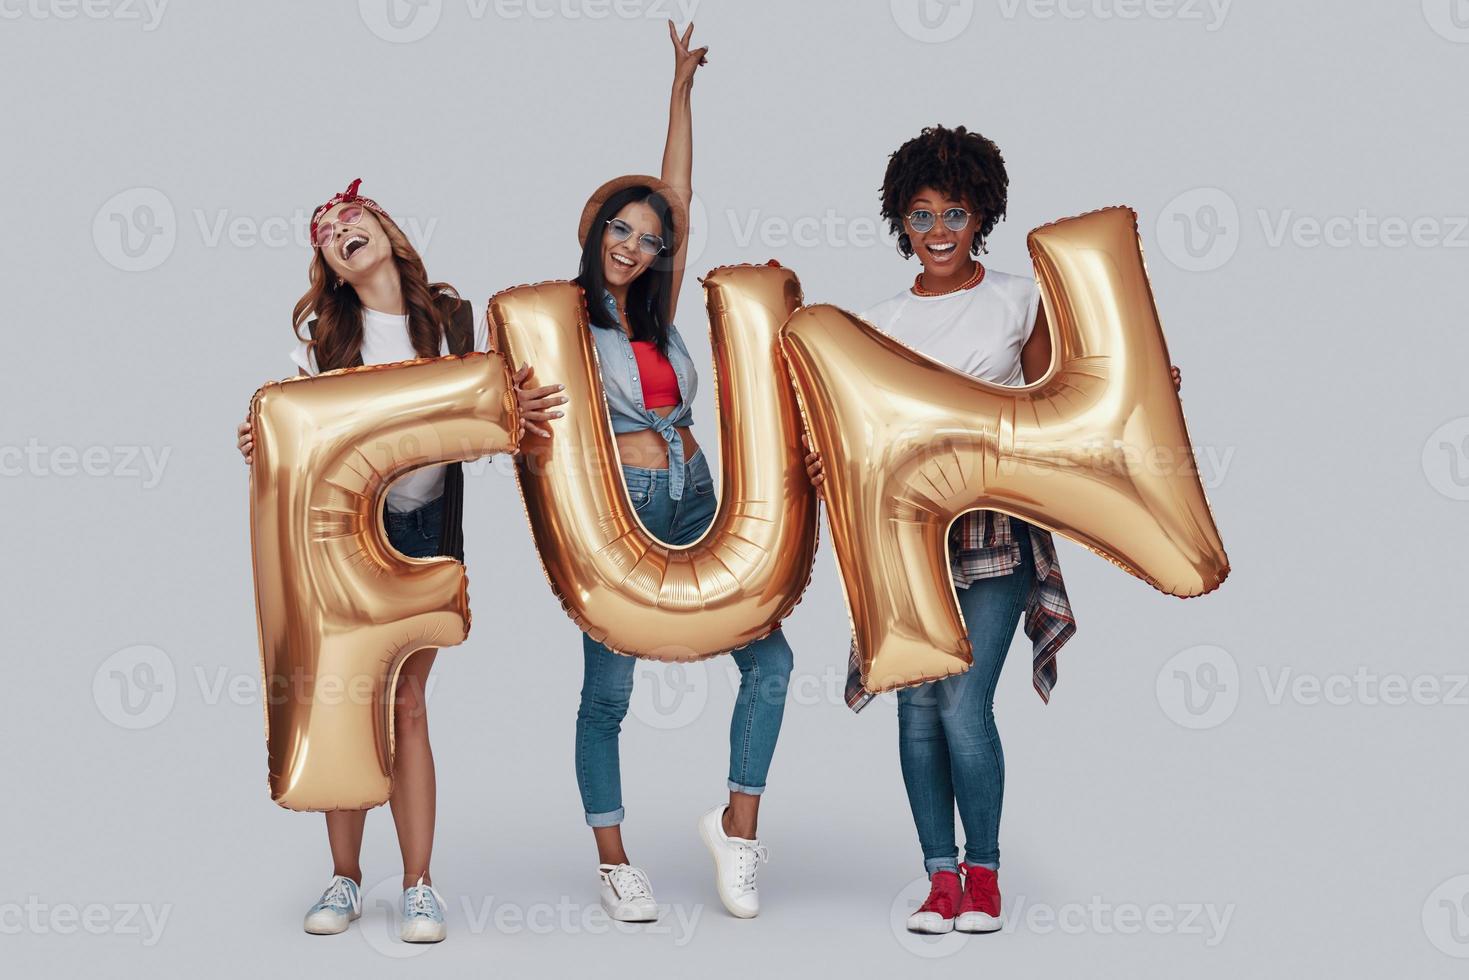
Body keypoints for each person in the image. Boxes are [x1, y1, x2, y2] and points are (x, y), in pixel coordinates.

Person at [806, 125, 1180, 935]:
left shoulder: (1016, 297)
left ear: (982, 215)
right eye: (920, 215)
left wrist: (1145, 381)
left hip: (995, 529)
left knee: (963, 706)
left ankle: (984, 875)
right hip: (902, 537)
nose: (938, 231)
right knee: (914, 709)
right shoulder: (872, 322)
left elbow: (1061, 396)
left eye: (954, 212)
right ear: (898, 224)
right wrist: (822, 461)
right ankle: (938, 882)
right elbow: (857, 435)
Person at [235, 178, 565, 943]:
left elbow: (476, 424)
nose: (341, 227)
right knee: (347, 700)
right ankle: (346, 879)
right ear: (330, 266)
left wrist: (517, 415)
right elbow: (298, 445)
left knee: (408, 704)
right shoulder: (323, 339)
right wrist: (261, 446)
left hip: (423, 535)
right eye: (326, 231)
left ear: (385, 229)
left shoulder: (449, 320)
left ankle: (417, 885)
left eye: (353, 216)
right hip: (341, 538)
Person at [561, 22, 793, 923]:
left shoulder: (655, 309)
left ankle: (736, 829)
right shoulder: (562, 321)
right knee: (607, 693)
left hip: (697, 495)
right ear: (592, 232)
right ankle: (614, 860)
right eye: (619, 228)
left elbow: (681, 196)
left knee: (768, 662)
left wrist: (680, 93)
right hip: (621, 514)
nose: (633, 243)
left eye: (647, 236)